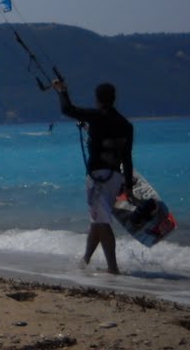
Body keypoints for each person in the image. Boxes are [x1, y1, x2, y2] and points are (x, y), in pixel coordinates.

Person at [54, 79, 134, 274]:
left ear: (98, 99)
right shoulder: (126, 125)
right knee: (97, 219)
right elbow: (126, 157)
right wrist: (129, 185)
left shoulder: (96, 116)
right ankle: (85, 260)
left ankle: (113, 269)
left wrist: (62, 91)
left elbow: (68, 110)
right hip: (116, 177)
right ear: (114, 99)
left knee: (102, 221)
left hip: (98, 176)